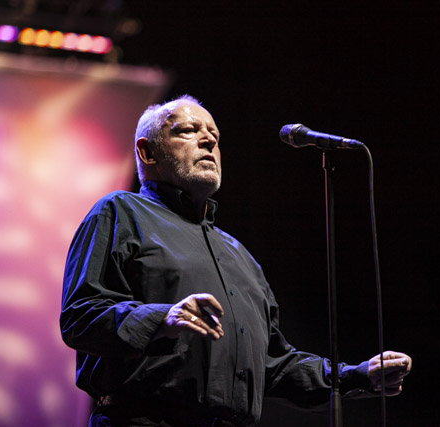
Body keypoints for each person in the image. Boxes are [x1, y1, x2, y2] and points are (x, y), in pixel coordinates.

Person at [60, 95, 412, 427]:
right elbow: (80, 316)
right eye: (187, 130)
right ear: (147, 151)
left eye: (214, 135)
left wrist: (356, 375)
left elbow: (275, 365)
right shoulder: (120, 212)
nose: (208, 141)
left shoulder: (238, 255)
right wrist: (161, 317)